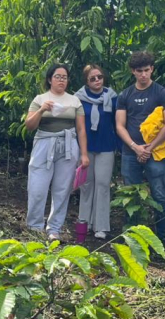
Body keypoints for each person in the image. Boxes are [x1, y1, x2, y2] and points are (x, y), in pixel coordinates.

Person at [115, 51, 165, 247]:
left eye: (147, 70)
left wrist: (150, 147)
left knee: (159, 196)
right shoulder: (125, 95)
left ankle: (164, 242)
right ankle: (132, 241)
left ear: (152, 69)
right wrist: (135, 147)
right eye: (139, 71)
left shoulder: (161, 93)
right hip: (130, 152)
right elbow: (119, 125)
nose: (143, 74)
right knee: (131, 196)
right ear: (133, 71)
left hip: (156, 152)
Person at [25, 63, 90, 240]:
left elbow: (81, 129)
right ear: (49, 79)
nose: (61, 80)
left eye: (64, 77)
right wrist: (42, 110)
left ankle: (54, 228)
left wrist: (84, 154)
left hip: (68, 145)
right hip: (44, 144)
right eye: (57, 76)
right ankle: (34, 226)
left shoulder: (74, 101)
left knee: (62, 189)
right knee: (38, 187)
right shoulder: (40, 99)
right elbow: (29, 125)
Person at [74, 64, 117, 240]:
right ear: (86, 81)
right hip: (85, 147)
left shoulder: (113, 97)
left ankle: (101, 226)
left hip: (106, 146)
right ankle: (84, 221)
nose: (97, 80)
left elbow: (118, 122)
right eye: (92, 78)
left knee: (103, 184)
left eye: (99, 77)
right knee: (86, 185)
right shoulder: (78, 98)